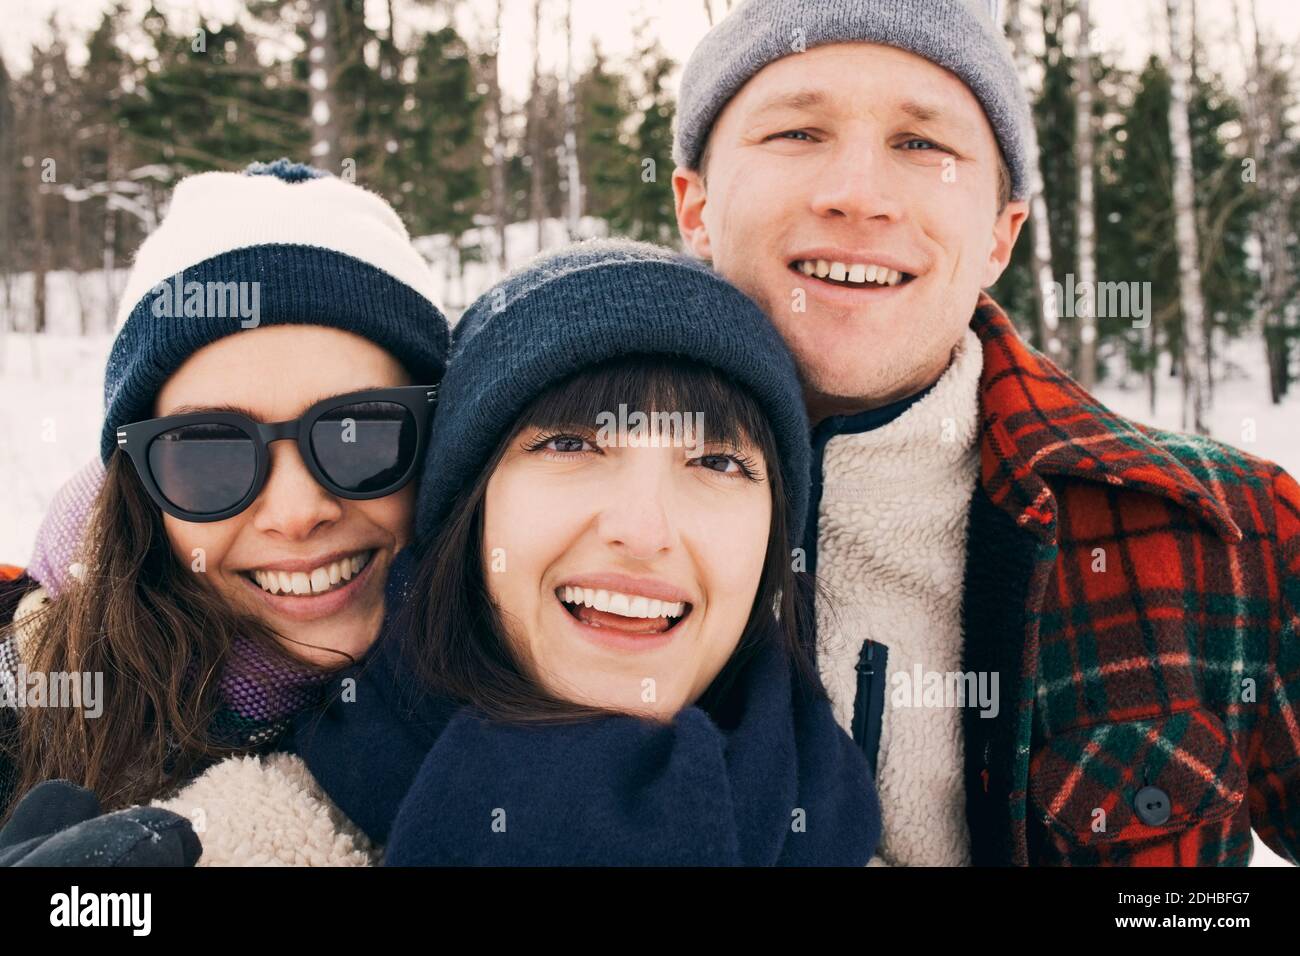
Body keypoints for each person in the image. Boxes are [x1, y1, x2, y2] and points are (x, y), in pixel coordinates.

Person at [669, 0, 1300, 866]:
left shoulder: (1232, 529)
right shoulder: (543, 520)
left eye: (922, 144)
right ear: (695, 204)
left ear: (1003, 234)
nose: (857, 195)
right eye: (797, 133)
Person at [295, 240, 883, 865]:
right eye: (571, 446)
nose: (642, 530)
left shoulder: (840, 830)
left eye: (717, 461)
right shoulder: (241, 838)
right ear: (471, 509)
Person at [0, 159, 449, 851]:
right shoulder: (29, 691)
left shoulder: (558, 683)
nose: (297, 511)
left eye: (361, 437)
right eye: (210, 453)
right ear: (140, 492)